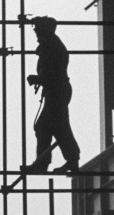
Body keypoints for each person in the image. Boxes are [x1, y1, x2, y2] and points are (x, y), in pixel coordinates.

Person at [20, 16, 80, 174]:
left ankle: (44, 163)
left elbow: (54, 73)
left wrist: (38, 79)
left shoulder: (51, 47)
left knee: (46, 126)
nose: (36, 34)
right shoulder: (51, 45)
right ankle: (70, 160)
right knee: (58, 126)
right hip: (57, 91)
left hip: (57, 91)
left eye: (38, 31)